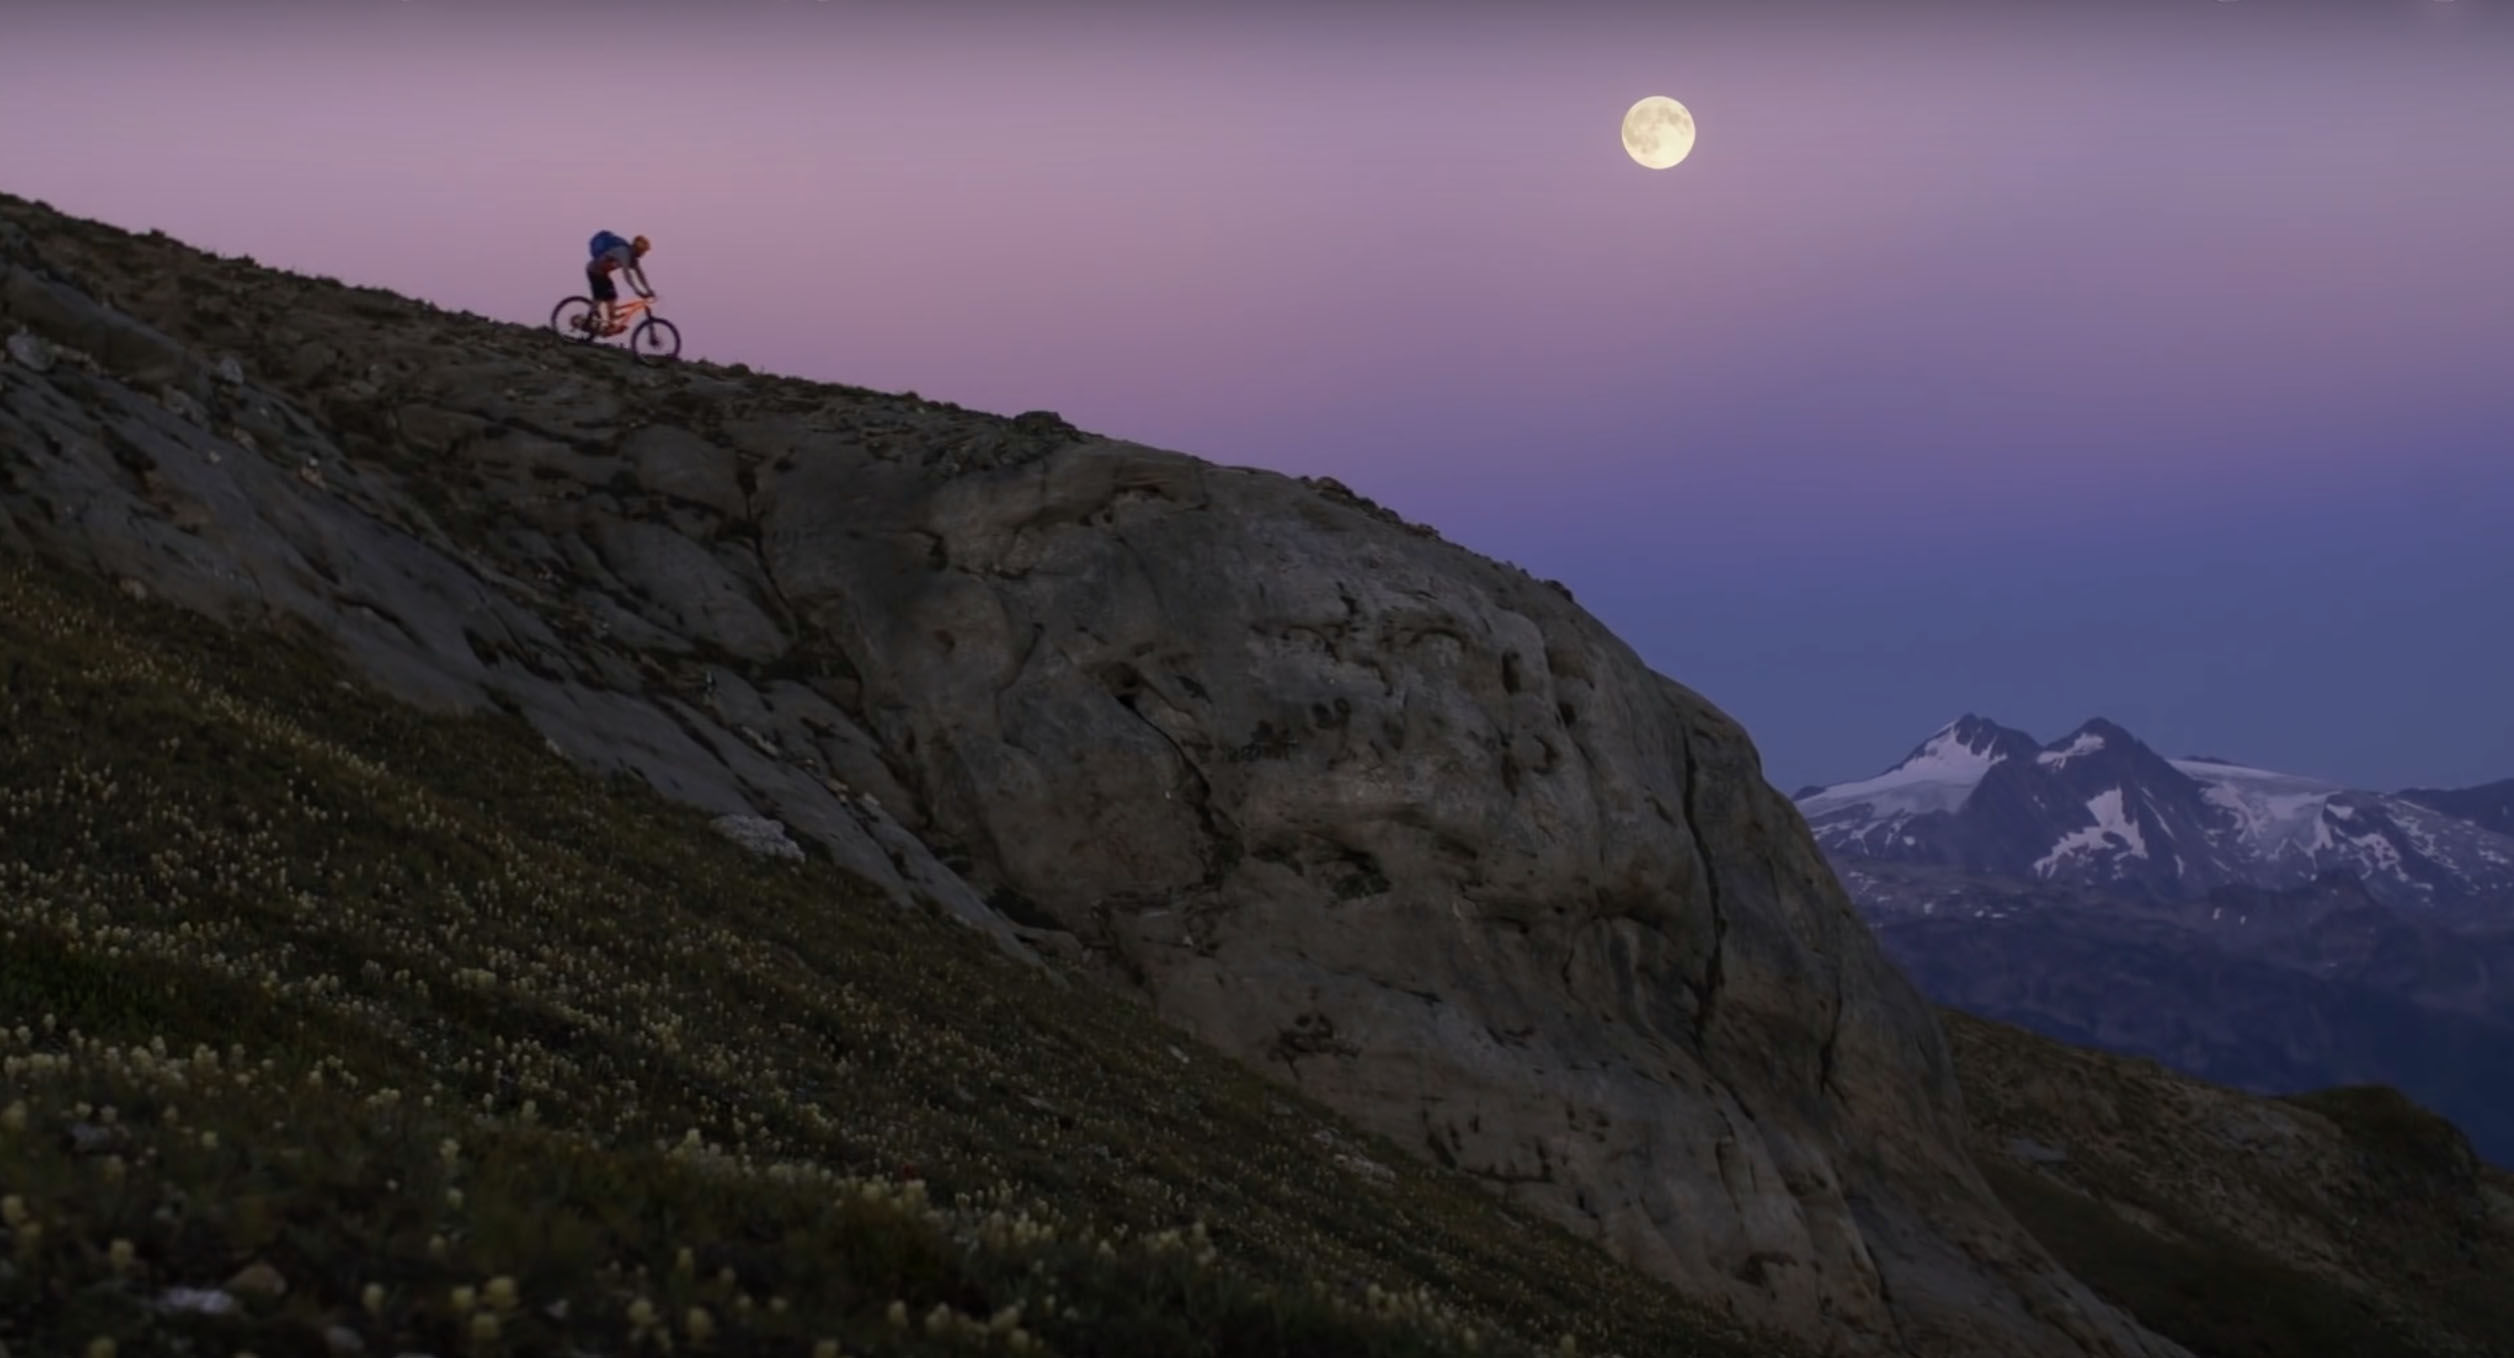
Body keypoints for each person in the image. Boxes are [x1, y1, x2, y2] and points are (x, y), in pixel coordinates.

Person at [583, 231, 653, 335]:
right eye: (643, 251)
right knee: (599, 296)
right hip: (594, 271)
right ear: (638, 249)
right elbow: (627, 275)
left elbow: (640, 274)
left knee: (612, 296)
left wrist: (648, 289)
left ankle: (609, 324)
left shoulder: (633, 259)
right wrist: (637, 290)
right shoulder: (624, 252)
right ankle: (587, 322)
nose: (643, 254)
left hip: (603, 274)